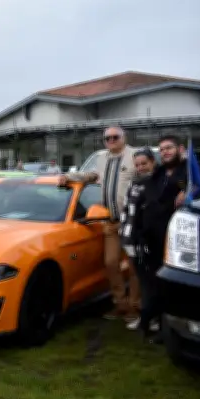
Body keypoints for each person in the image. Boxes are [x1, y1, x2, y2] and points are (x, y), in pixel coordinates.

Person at [133, 134, 200, 341]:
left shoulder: (188, 172)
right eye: (161, 150)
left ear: (180, 149)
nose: (165, 152)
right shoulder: (158, 174)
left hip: (175, 242)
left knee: (170, 287)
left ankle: (166, 329)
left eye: (169, 148)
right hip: (150, 238)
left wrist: (191, 189)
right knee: (152, 283)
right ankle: (150, 320)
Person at [59, 125, 136, 319]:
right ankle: (121, 304)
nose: (111, 141)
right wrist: (68, 177)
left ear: (123, 137)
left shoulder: (135, 156)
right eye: (107, 138)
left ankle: (136, 308)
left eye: (114, 137)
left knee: (135, 266)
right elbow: (92, 175)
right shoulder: (102, 158)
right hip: (110, 221)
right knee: (110, 263)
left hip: (133, 221)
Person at [119, 147, 156, 329]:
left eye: (144, 163)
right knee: (141, 280)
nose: (141, 167)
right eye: (137, 165)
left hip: (148, 241)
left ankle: (153, 319)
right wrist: (123, 232)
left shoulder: (159, 183)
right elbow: (126, 209)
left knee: (151, 281)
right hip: (130, 239)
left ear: (153, 163)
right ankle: (145, 317)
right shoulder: (133, 184)